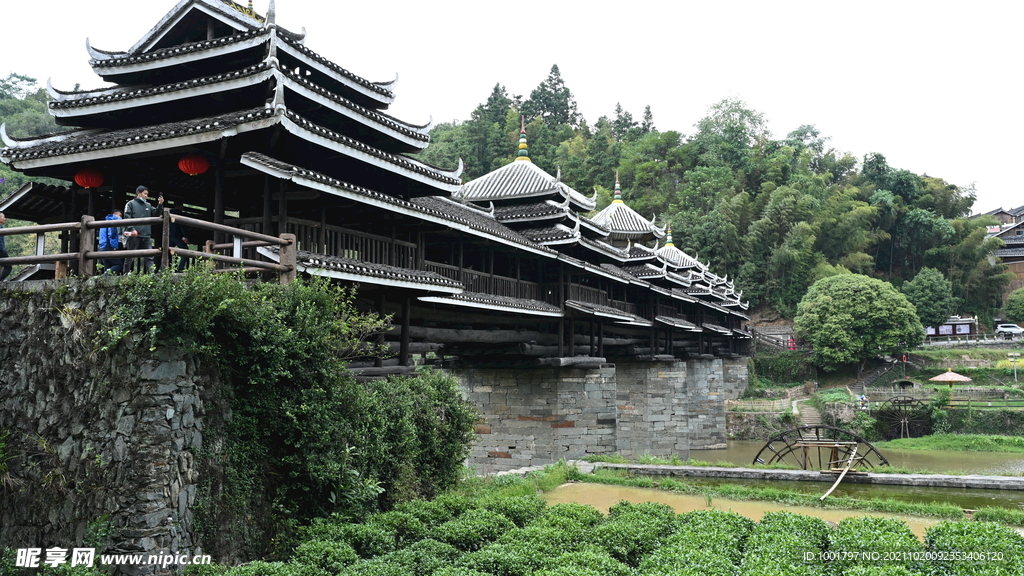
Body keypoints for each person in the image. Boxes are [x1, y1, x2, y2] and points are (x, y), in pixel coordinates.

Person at [123, 185, 163, 273]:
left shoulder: (148, 205)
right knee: (130, 256)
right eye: (145, 194)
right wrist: (131, 229)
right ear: (139, 193)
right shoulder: (130, 204)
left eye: (147, 194)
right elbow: (127, 217)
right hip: (135, 234)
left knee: (149, 256)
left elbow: (155, 214)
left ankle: (151, 275)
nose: (146, 196)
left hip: (146, 235)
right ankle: (125, 274)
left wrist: (160, 205)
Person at [99, 209, 124, 274]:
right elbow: (111, 235)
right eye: (119, 215)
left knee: (108, 267)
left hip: (102, 246)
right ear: (115, 214)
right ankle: (103, 276)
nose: (120, 217)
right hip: (108, 246)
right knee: (118, 264)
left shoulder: (104, 222)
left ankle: (102, 281)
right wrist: (114, 246)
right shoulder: (112, 222)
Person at [166, 205, 190, 272]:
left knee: (166, 252)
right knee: (186, 251)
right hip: (177, 236)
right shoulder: (180, 214)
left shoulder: (169, 213)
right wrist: (185, 236)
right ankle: (180, 268)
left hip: (169, 235)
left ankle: (161, 269)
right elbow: (182, 226)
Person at [0, 212, 10, 281]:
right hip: (0, 250)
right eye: (3, 217)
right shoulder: (0, 228)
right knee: (8, 266)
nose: (5, 218)